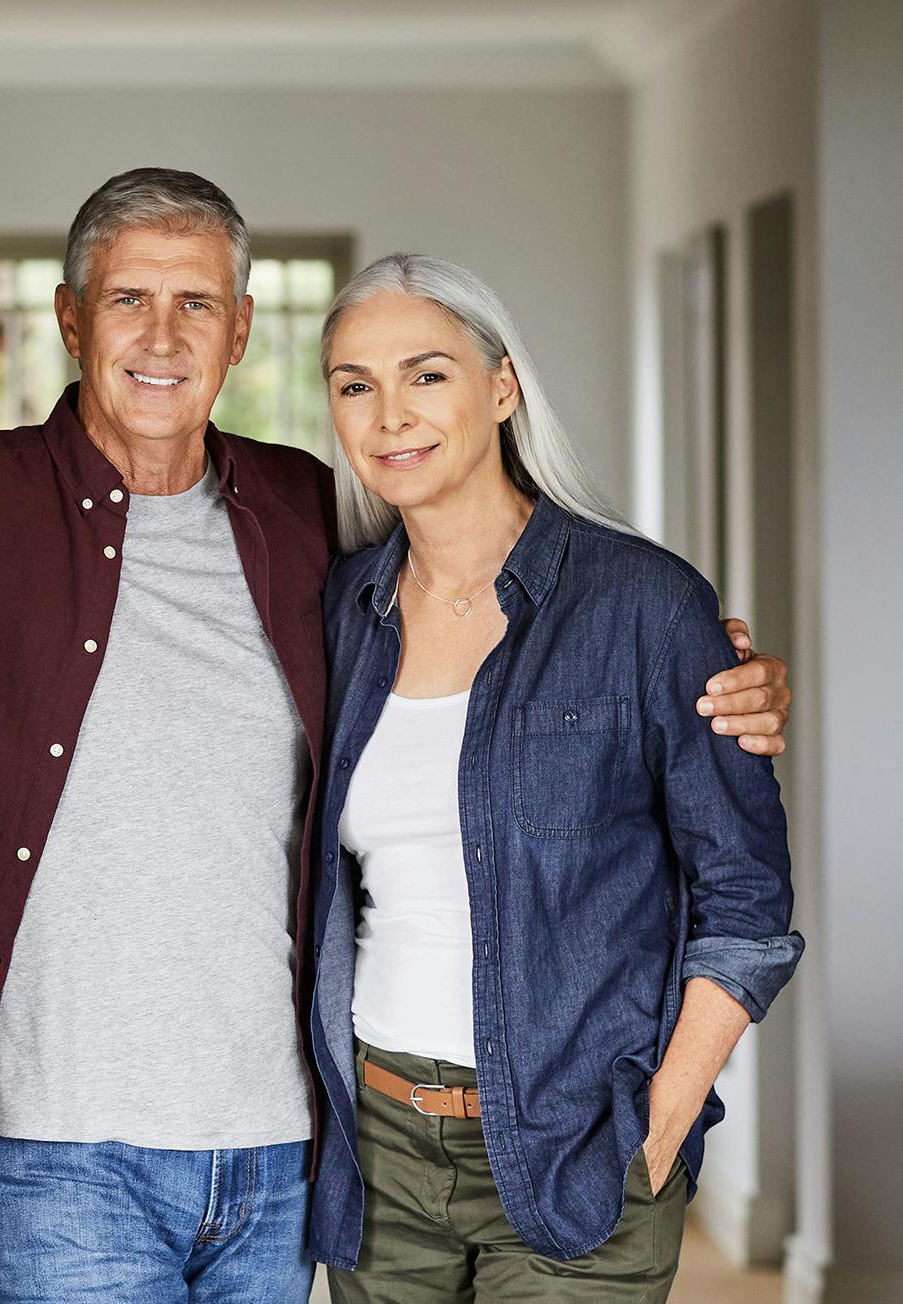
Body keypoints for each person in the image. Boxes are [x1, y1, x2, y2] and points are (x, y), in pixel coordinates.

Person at [0, 171, 792, 1303]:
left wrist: (714, 673)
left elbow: (562, 681)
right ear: (70, 319)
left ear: (240, 331)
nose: (161, 337)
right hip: (61, 1149)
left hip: (285, 1147)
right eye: (127, 299)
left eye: (197, 303)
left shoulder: (309, 519)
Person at [305, 255, 802, 1303]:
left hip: (580, 1148)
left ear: (501, 387)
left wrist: (663, 1117)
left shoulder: (642, 604)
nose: (389, 414)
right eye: (354, 383)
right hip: (379, 1152)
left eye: (426, 373)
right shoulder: (339, 612)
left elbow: (746, 897)